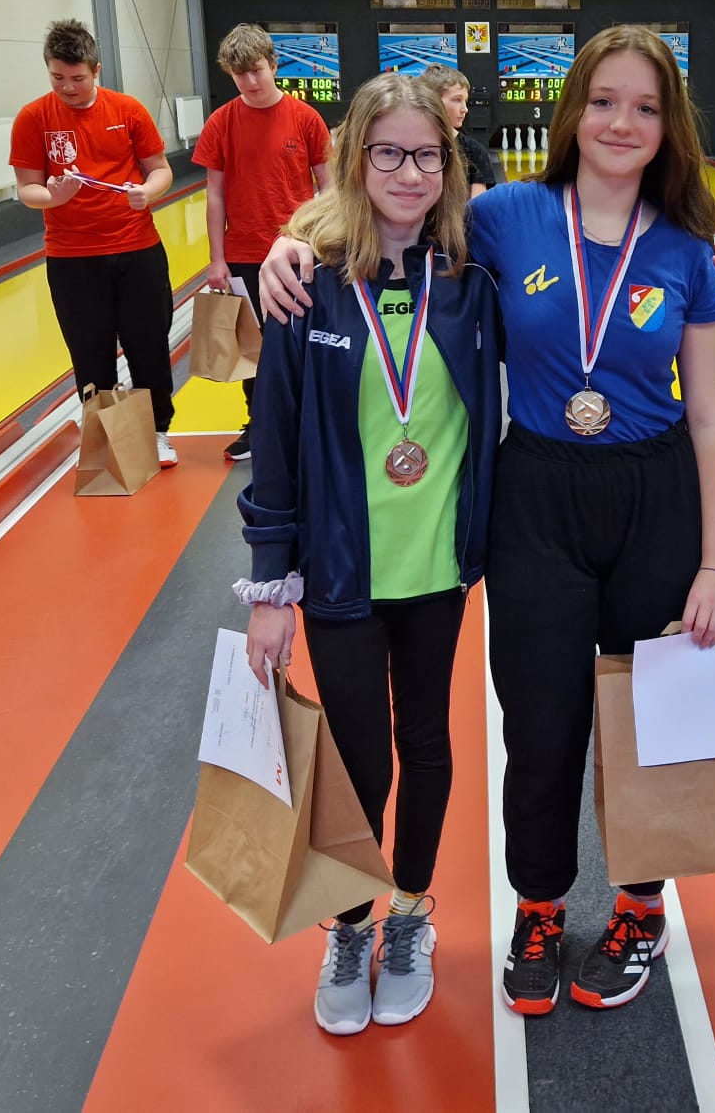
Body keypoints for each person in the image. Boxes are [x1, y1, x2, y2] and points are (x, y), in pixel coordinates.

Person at [259, 25, 715, 1017]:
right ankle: (541, 906)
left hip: (654, 500)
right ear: (572, 111)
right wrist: (288, 240)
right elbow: (383, 208)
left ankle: (640, 906)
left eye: (646, 107)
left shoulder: (688, 247)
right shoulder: (506, 216)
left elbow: (707, 414)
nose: (621, 122)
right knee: (542, 720)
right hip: (537, 498)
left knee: (649, 721)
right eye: (603, 100)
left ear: (670, 127)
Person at [236, 73, 500, 1037]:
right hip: (341, 571)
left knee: (425, 742)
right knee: (355, 760)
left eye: (427, 154)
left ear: (449, 164)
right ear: (355, 159)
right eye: (387, 152)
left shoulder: (472, 279)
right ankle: (350, 923)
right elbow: (275, 439)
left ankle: (412, 912)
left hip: (437, 571)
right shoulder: (305, 285)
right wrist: (272, 585)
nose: (408, 172)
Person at [9, 18, 178, 468]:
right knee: (90, 353)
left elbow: (160, 169)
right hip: (72, 259)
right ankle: (105, 438)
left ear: (96, 70)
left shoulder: (128, 110)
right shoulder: (33, 118)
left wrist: (148, 192)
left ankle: (157, 431)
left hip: (136, 250)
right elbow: (27, 188)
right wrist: (53, 197)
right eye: (57, 77)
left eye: (77, 78)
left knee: (148, 347)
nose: (68, 87)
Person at [195, 23, 332, 463]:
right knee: (253, 350)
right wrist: (217, 260)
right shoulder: (221, 123)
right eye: (240, 74)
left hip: (298, 253)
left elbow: (328, 187)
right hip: (243, 255)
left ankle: (307, 423)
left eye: (256, 70)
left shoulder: (305, 118)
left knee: (301, 343)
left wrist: (320, 241)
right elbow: (215, 195)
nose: (251, 81)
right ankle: (259, 425)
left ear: (274, 65)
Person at [420, 64, 500, 197]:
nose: (465, 109)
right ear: (432, 100)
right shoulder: (409, 146)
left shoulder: (474, 151)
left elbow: (478, 205)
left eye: (465, 101)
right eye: (457, 100)